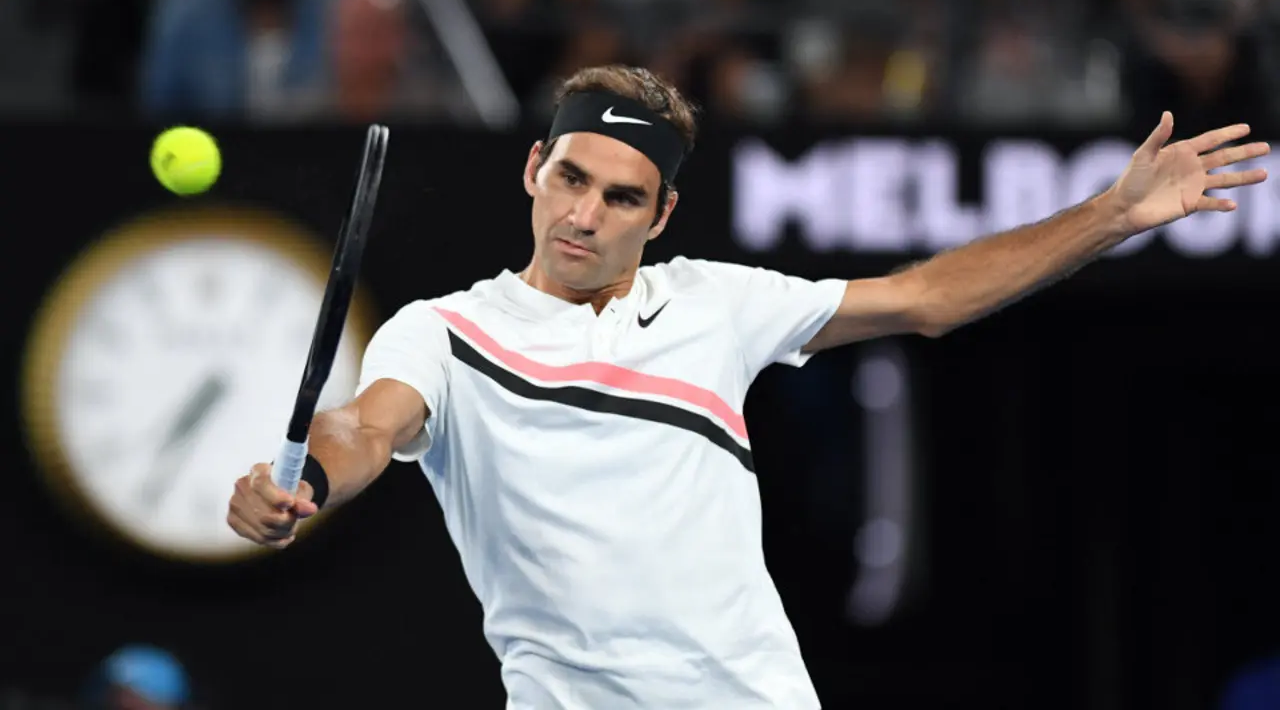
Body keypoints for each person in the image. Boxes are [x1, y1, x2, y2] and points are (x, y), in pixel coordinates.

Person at [226, 64, 1270, 708]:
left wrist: (1107, 217)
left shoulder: (717, 305)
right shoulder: (445, 333)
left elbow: (924, 297)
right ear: (534, 168)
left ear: (660, 215)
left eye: (621, 196)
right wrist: (305, 481)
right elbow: (365, 426)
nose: (584, 215)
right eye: (570, 180)